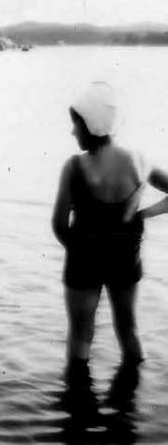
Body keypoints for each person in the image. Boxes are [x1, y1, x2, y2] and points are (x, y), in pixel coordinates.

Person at [51, 81, 168, 370]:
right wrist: (142, 215)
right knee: (128, 329)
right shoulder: (141, 160)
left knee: (81, 335)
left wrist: (80, 252)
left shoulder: (74, 167)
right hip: (125, 257)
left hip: (83, 260)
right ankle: (130, 406)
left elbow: (58, 224)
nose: (73, 131)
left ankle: (78, 406)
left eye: (76, 125)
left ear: (90, 126)